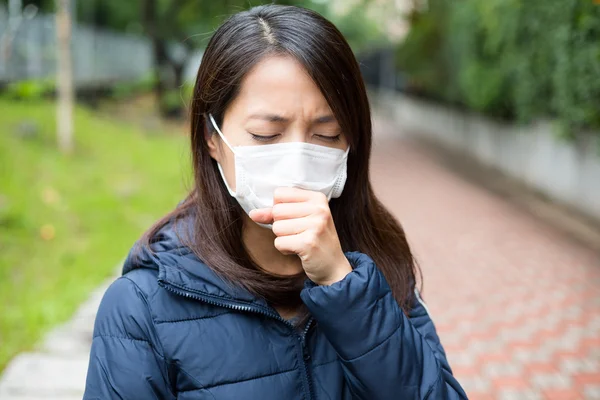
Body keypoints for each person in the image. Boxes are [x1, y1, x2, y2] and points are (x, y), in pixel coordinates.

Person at [83, 4, 467, 399]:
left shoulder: (377, 266)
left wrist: (342, 285)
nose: (297, 161)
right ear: (212, 138)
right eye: (267, 135)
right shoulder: (141, 306)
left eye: (327, 134)